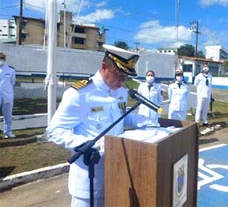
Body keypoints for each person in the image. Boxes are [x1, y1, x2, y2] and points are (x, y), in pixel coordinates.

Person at [46, 44, 157, 207]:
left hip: (116, 174)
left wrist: (149, 122)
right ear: (104, 67)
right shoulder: (79, 94)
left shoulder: (120, 92)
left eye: (126, 76)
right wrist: (86, 145)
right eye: (119, 74)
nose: (123, 81)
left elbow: (121, 119)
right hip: (89, 177)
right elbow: (54, 131)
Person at [0, 52, 16, 138]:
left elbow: (12, 82)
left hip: (7, 96)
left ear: (5, 60)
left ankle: (8, 132)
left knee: (8, 115)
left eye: (2, 59)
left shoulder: (11, 70)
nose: (0, 60)